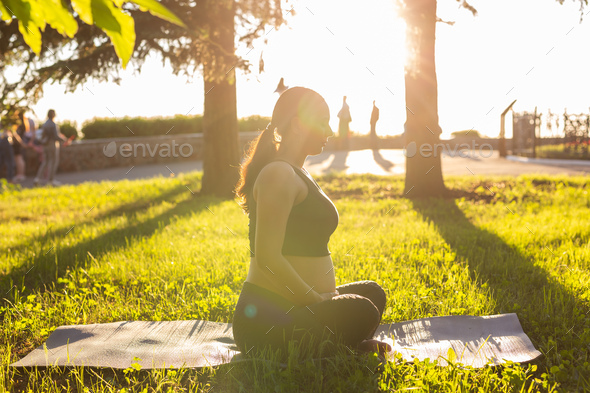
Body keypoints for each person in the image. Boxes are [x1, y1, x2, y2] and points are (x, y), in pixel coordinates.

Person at [232, 87, 390, 360]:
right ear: (297, 124)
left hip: (298, 307)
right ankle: (342, 344)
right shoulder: (278, 173)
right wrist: (316, 300)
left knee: (372, 294)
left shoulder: (297, 172)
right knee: (362, 310)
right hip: (267, 321)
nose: (330, 131)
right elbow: (268, 258)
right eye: (323, 122)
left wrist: (323, 297)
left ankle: (341, 342)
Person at [34, 109, 67, 186]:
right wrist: (64, 139)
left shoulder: (45, 124)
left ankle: (37, 178)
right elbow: (55, 136)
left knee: (45, 162)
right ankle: (50, 180)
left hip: (45, 145)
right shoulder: (53, 124)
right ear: (53, 115)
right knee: (53, 162)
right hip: (52, 145)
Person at [0, 117, 16, 183]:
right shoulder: (7, 121)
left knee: (1, 160)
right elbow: (13, 133)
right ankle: (10, 179)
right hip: (6, 140)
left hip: (1, 141)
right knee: (10, 161)